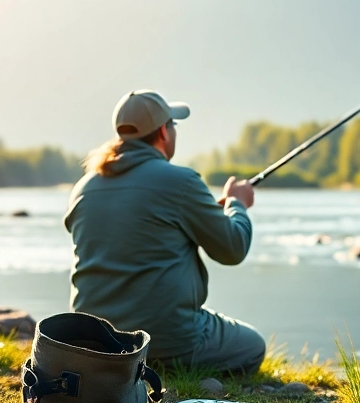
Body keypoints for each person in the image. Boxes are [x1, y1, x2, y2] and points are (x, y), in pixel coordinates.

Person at [64, 89, 265, 373]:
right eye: (173, 125)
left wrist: (203, 212)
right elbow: (232, 249)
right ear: (163, 131)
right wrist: (237, 203)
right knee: (253, 345)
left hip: (97, 343)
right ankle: (164, 360)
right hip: (172, 342)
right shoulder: (181, 181)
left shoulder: (84, 187)